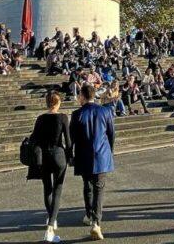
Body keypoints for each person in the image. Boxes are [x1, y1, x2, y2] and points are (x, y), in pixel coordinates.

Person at [70, 83, 115, 241]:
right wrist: (110, 150)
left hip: (83, 155)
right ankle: (96, 222)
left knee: (87, 186)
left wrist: (70, 155)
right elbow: (111, 134)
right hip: (102, 154)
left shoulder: (76, 114)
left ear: (82, 96)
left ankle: (89, 214)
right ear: (94, 95)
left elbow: (71, 139)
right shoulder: (105, 111)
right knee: (99, 189)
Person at [30, 91, 72, 243]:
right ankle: (50, 226)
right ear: (58, 103)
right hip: (59, 155)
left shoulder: (40, 118)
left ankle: (51, 219)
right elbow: (68, 141)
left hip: (44, 157)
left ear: (47, 103)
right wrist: (70, 157)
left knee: (47, 188)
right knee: (57, 191)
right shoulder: (63, 117)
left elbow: (34, 138)